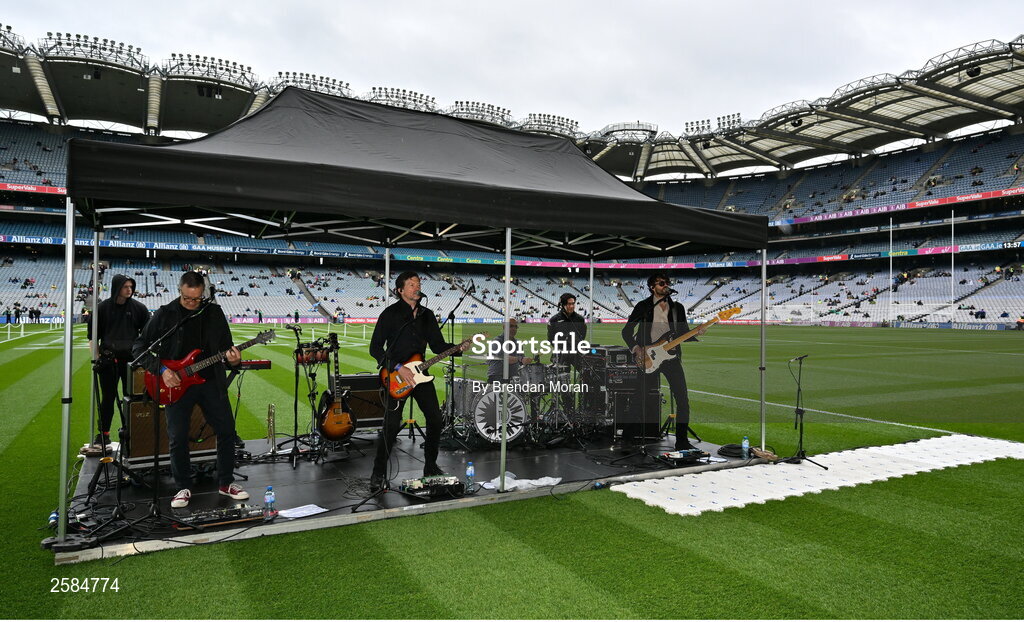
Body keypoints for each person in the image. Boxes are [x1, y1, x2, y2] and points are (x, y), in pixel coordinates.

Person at [133, 271, 248, 508]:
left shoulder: (214, 312)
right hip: (176, 383)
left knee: (227, 431)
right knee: (177, 437)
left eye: (196, 299)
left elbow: (227, 348)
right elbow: (140, 347)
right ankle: (182, 487)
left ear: (202, 293)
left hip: (211, 382)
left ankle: (226, 482)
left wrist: (234, 360)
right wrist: (162, 369)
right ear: (180, 291)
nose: (192, 303)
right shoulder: (166, 314)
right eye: (187, 298)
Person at [368, 271, 469, 491]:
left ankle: (430, 466)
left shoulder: (427, 314)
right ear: (400, 290)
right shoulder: (389, 314)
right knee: (391, 427)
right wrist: (396, 367)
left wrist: (457, 348)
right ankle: (378, 473)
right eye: (411, 284)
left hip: (420, 376)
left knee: (435, 419)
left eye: (418, 283)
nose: (416, 287)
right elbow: (375, 348)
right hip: (396, 377)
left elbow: (436, 346)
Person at [621, 273, 705, 449]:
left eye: (667, 283)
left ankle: (682, 441)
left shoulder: (678, 308)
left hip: (671, 358)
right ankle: (627, 439)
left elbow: (683, 333)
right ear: (652, 286)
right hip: (648, 359)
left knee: (682, 399)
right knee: (639, 398)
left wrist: (695, 333)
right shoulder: (643, 307)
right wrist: (636, 348)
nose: (665, 285)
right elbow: (626, 332)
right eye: (661, 283)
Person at [87, 275, 150, 449]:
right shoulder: (102, 308)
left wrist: (143, 356)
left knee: (135, 398)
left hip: (132, 362)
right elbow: (93, 337)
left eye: (131, 286)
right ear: (117, 287)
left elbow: (147, 335)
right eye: (125, 287)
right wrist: (97, 358)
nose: (129, 290)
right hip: (108, 361)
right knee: (107, 398)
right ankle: (103, 434)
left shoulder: (139, 308)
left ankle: (132, 431)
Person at [487, 318, 533, 383]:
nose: (514, 329)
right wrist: (521, 359)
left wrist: (527, 361)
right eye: (511, 326)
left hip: (513, 377)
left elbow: (521, 361)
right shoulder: (496, 341)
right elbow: (505, 358)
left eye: (515, 327)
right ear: (504, 327)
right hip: (497, 377)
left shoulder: (518, 342)